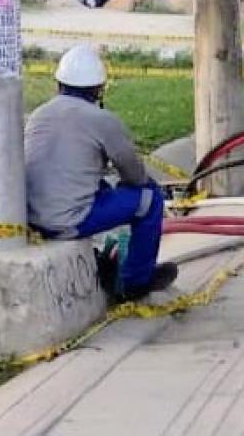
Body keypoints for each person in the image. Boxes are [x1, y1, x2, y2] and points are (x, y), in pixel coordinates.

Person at [24, 45, 178, 302]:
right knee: (150, 199)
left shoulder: (39, 114)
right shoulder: (102, 119)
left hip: (33, 219)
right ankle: (136, 281)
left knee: (102, 188)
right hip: (66, 222)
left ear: (59, 83)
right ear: (98, 88)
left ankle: (111, 262)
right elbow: (135, 176)